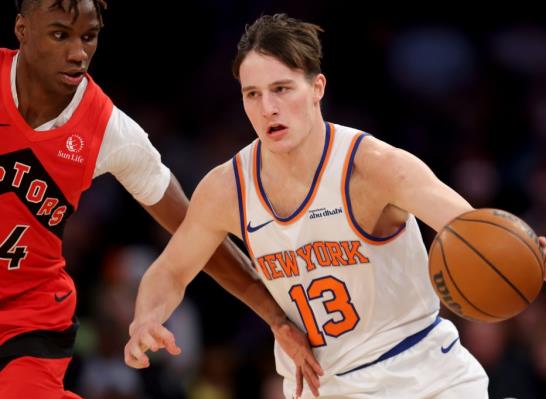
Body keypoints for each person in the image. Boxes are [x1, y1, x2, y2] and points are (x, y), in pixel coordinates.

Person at [124, 14, 546, 399]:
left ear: (317, 87)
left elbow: (469, 227)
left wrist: (522, 247)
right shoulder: (227, 188)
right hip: (324, 386)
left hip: (425, 377)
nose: (268, 108)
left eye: (281, 88)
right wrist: (146, 318)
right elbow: (171, 270)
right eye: (252, 94)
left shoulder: (374, 167)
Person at [0, 3, 319, 398]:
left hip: (29, 315)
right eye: (60, 34)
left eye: (89, 36)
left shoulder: (109, 131)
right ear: (22, 29)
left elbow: (196, 232)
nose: (78, 53)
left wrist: (275, 316)